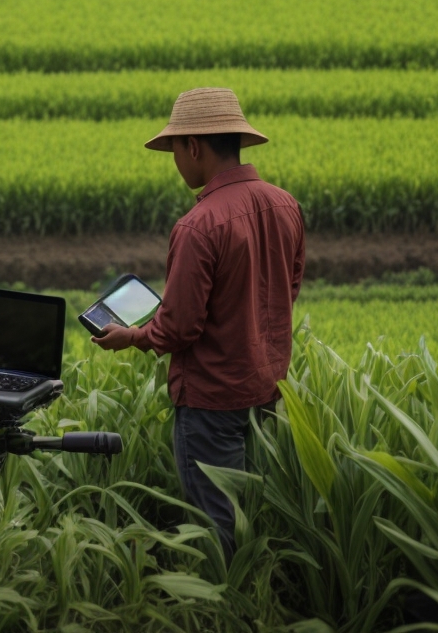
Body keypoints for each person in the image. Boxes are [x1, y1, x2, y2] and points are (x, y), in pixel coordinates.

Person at [92, 86, 306, 547]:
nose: (174, 161)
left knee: (219, 528)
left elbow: (179, 328)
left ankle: (224, 608)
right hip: (267, 389)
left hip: (211, 402)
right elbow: (287, 291)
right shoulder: (286, 205)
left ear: (193, 147)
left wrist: (129, 336)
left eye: (173, 149)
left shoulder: (199, 225)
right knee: (251, 513)